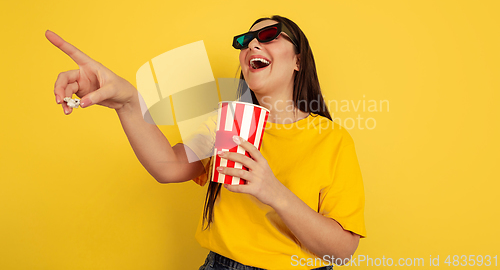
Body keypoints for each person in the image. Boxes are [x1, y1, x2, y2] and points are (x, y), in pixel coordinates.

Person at [48, 15, 366, 270]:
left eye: (268, 35)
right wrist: (128, 101)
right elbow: (168, 167)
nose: (252, 44)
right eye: (244, 42)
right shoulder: (230, 124)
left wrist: (274, 192)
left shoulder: (331, 139)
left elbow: (342, 252)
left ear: (298, 60)